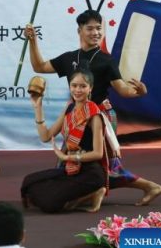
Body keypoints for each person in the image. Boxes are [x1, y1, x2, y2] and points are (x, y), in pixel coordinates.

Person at [25, 9, 161, 206]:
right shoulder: (69, 58)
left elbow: (123, 89)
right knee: (69, 162)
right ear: (79, 31)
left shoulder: (106, 60)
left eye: (99, 28)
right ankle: (93, 192)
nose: (96, 32)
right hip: (77, 113)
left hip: (100, 116)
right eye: (90, 28)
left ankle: (148, 186)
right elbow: (39, 66)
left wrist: (138, 93)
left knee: (105, 164)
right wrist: (32, 42)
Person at [21, 69, 108, 213]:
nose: (78, 90)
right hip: (69, 168)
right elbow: (46, 136)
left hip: (90, 172)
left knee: (49, 204)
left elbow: (98, 153)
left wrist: (68, 157)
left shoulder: (94, 114)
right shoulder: (69, 108)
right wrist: (38, 108)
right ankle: (85, 196)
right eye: (74, 86)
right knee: (29, 182)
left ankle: (93, 193)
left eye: (82, 86)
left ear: (90, 88)